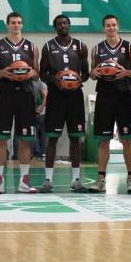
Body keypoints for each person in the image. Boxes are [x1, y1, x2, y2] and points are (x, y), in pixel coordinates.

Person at [0, 12, 39, 193]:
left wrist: (31, 73)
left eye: (18, 22)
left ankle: (24, 181)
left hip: (25, 95)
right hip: (5, 95)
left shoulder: (32, 47)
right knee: (1, 139)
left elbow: (37, 74)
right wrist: (3, 73)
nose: (16, 25)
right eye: (13, 22)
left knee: (25, 140)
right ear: (7, 25)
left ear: (22, 25)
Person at [88, 15, 131, 194]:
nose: (111, 28)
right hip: (104, 97)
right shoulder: (97, 49)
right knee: (104, 141)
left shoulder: (129, 47)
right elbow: (92, 73)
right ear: (104, 28)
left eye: (114, 25)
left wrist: (127, 72)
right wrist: (93, 73)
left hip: (124, 96)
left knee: (127, 140)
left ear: (118, 26)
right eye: (108, 25)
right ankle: (101, 180)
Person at [39, 14, 90, 193]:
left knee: (75, 138)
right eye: (60, 23)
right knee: (52, 138)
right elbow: (42, 73)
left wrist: (77, 80)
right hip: (56, 96)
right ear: (55, 27)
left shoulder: (80, 46)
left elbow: (86, 73)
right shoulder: (48, 47)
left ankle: (76, 180)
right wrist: (55, 79)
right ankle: (48, 180)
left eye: (65, 23)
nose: (63, 25)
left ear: (69, 25)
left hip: (75, 96)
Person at [32, 79, 48, 160]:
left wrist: (40, 109)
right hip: (43, 113)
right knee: (42, 134)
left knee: (36, 134)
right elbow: (46, 97)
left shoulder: (36, 84)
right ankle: (43, 153)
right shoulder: (43, 84)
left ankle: (37, 153)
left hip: (38, 112)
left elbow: (45, 97)